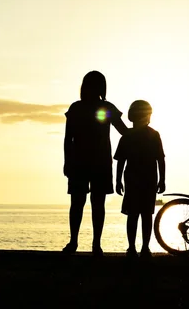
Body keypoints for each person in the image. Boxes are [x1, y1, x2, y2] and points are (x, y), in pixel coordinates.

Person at [63, 71, 128, 256]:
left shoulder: (81, 108)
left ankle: (86, 243)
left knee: (82, 203)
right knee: (88, 203)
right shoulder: (83, 108)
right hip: (90, 162)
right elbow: (124, 131)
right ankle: (87, 244)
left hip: (88, 162)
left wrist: (67, 161)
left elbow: (68, 139)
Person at [114, 100, 165, 258]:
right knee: (145, 215)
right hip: (145, 179)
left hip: (134, 179)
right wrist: (162, 179)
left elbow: (121, 161)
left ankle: (134, 248)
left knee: (134, 215)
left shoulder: (127, 136)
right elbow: (160, 160)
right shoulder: (153, 135)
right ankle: (143, 248)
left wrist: (118, 180)